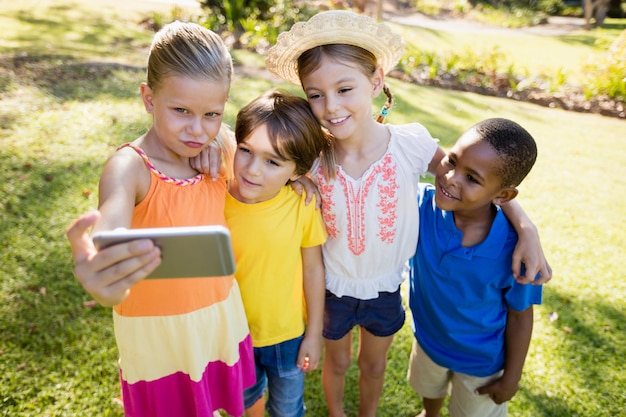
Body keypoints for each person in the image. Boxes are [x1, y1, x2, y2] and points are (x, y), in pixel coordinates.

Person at [265, 10, 551, 417]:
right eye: (315, 94)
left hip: (384, 288)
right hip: (330, 285)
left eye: (345, 88)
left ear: (376, 82)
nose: (330, 107)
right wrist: (297, 180)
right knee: (339, 362)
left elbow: (468, 183)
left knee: (373, 364)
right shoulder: (313, 155)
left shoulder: (409, 144)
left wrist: (526, 226)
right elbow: (262, 168)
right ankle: (336, 413)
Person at [64, 21, 255, 417]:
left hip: (217, 314)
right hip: (159, 335)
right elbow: (111, 226)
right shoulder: (129, 167)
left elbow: (265, 174)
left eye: (212, 114)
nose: (196, 129)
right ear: (149, 98)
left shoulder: (218, 147)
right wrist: (104, 270)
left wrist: (223, 142)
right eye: (181, 110)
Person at [407, 118, 543, 417]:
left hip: (481, 364)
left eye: (472, 178)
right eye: (451, 161)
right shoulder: (418, 206)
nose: (451, 178)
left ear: (502, 196)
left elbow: (521, 318)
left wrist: (511, 379)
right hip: (428, 340)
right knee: (429, 391)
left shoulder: (515, 250)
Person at [224, 90, 334, 417]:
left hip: (288, 337)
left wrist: (314, 334)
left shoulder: (301, 204)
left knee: (287, 410)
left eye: (272, 161)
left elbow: (314, 271)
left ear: (298, 170)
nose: (253, 170)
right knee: (244, 406)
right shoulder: (213, 197)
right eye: (245, 150)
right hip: (232, 336)